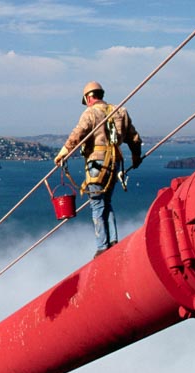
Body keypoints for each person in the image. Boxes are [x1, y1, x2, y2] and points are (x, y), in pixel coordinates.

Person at [54, 81, 142, 257]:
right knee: (106, 202)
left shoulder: (90, 113)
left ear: (88, 97)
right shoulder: (121, 112)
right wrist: (136, 157)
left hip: (96, 164)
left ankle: (102, 247)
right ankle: (113, 240)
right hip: (114, 164)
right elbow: (134, 138)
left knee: (96, 204)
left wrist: (63, 153)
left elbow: (77, 134)